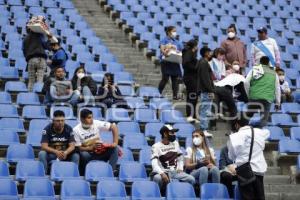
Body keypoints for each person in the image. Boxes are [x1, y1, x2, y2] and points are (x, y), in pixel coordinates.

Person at [228, 118, 270, 200]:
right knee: (260, 196)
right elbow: (268, 132)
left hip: (244, 171)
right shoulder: (260, 132)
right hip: (259, 170)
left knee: (248, 197)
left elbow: (231, 156)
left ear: (236, 125)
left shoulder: (234, 136)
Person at [73, 109, 119, 173]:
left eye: (92, 117)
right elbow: (78, 148)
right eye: (89, 118)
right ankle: (85, 172)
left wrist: (115, 142)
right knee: (83, 154)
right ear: (82, 119)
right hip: (89, 155)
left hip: (100, 152)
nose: (91, 119)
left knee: (115, 148)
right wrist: (90, 148)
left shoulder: (96, 123)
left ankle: (110, 172)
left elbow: (114, 127)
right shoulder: (76, 130)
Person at [151, 124, 195, 190]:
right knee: (157, 178)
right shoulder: (156, 146)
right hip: (163, 172)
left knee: (191, 179)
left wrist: (180, 168)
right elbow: (154, 163)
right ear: (165, 134)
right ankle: (158, 195)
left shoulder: (175, 143)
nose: (174, 134)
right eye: (172, 132)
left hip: (175, 172)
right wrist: (162, 173)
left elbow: (180, 157)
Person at [245, 56, 281, 127]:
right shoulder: (273, 73)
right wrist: (277, 103)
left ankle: (241, 130)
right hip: (267, 99)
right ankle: (260, 135)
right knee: (263, 120)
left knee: (248, 116)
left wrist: (247, 96)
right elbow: (277, 88)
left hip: (254, 97)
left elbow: (246, 82)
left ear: (260, 62)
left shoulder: (254, 69)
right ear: (268, 63)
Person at [158, 26, 183, 100]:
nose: (175, 33)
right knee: (165, 78)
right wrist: (165, 51)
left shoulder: (177, 41)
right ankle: (158, 93)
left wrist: (178, 51)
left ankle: (175, 96)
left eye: (175, 31)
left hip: (174, 61)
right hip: (166, 61)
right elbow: (162, 49)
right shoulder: (164, 40)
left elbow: (181, 50)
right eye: (173, 31)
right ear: (169, 32)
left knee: (175, 79)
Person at [23, 26, 51, 91]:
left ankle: (29, 96)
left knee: (31, 80)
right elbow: (47, 47)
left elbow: (24, 50)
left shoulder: (25, 39)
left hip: (30, 60)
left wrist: (28, 59)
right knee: (40, 80)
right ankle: (38, 94)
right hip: (41, 59)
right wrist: (49, 39)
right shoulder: (40, 35)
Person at [196, 47, 215, 137]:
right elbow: (206, 79)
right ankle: (203, 129)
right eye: (210, 52)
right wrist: (210, 90)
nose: (211, 54)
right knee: (205, 110)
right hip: (206, 90)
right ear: (206, 53)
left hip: (204, 90)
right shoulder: (203, 63)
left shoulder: (202, 62)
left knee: (205, 110)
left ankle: (204, 128)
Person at [182, 39, 199, 122]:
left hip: (192, 77)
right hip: (190, 78)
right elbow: (186, 64)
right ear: (194, 46)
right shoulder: (188, 52)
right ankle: (190, 115)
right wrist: (196, 67)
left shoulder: (191, 53)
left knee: (193, 97)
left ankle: (192, 115)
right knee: (192, 96)